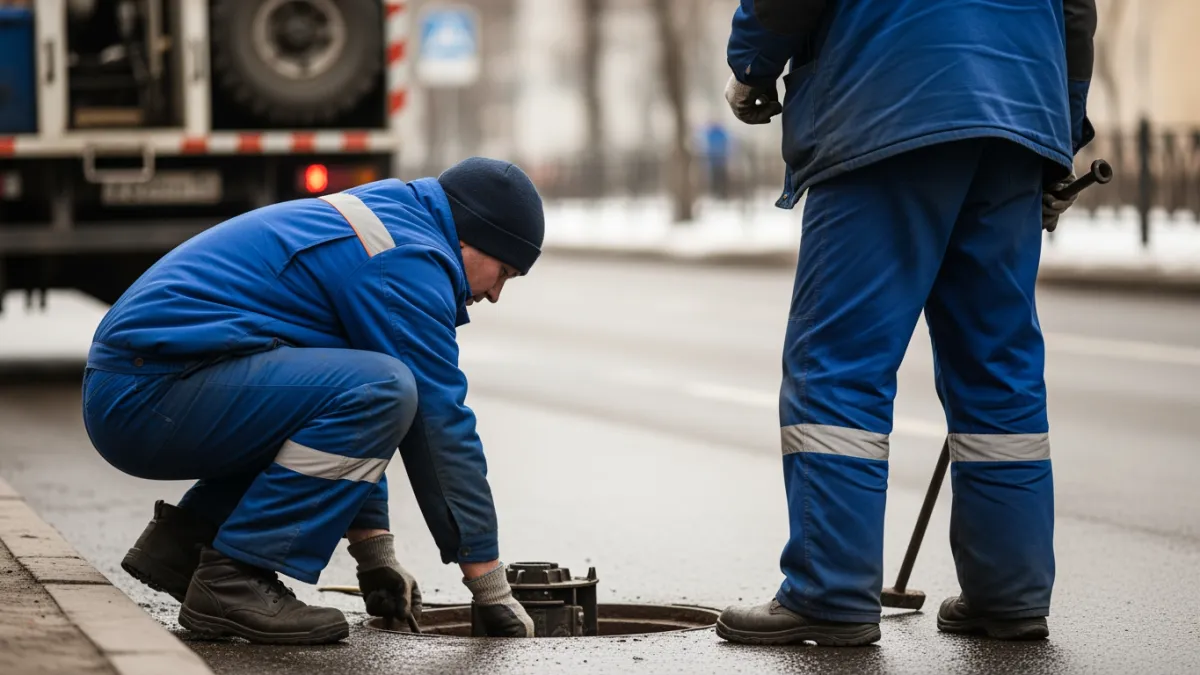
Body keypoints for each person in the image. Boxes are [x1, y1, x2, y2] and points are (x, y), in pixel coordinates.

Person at [718, 0, 1096, 646]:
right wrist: (1059, 124)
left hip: (891, 91)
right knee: (998, 362)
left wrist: (752, 64)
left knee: (839, 360)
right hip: (1019, 107)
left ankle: (830, 590)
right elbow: (1076, 12)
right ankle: (1009, 594)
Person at [81, 157, 544, 644]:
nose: (494, 294)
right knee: (386, 387)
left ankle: (191, 543)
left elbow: (341, 411)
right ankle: (234, 579)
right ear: (470, 237)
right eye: (503, 272)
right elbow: (437, 423)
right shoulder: (406, 257)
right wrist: (489, 586)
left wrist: (375, 554)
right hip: (148, 394)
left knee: (368, 387)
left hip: (144, 385)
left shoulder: (390, 220)